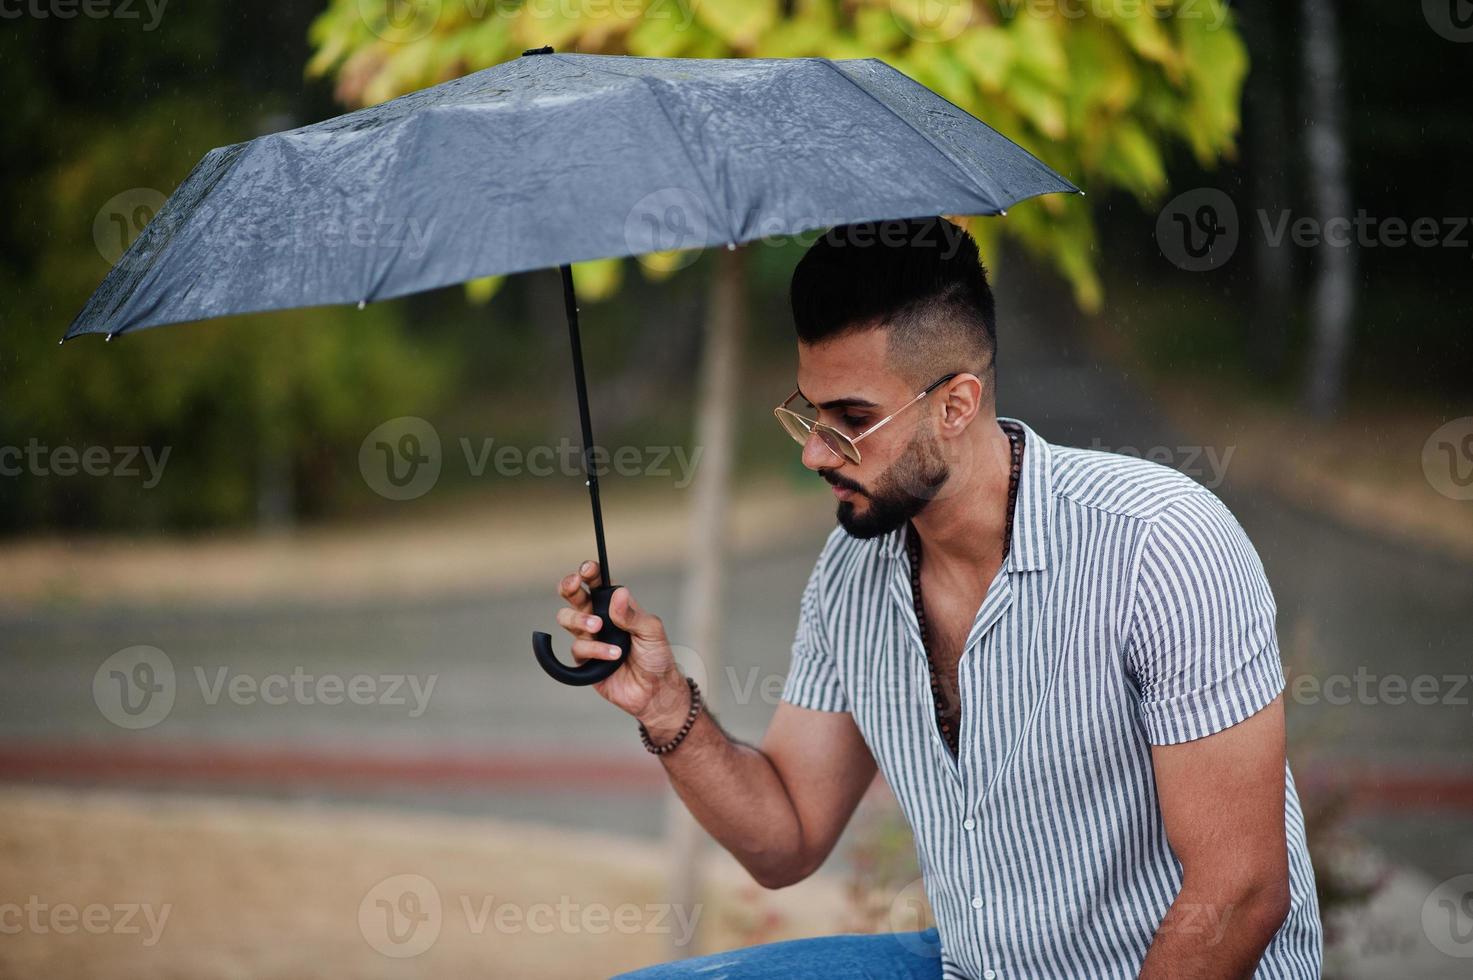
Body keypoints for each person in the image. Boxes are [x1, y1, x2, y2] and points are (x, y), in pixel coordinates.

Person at [550, 217, 1322, 979]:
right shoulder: (850, 573)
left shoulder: (1157, 541)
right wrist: (662, 705)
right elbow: (783, 842)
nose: (816, 452)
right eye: (808, 414)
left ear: (955, 405)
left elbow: (1239, 891)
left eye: (851, 420)